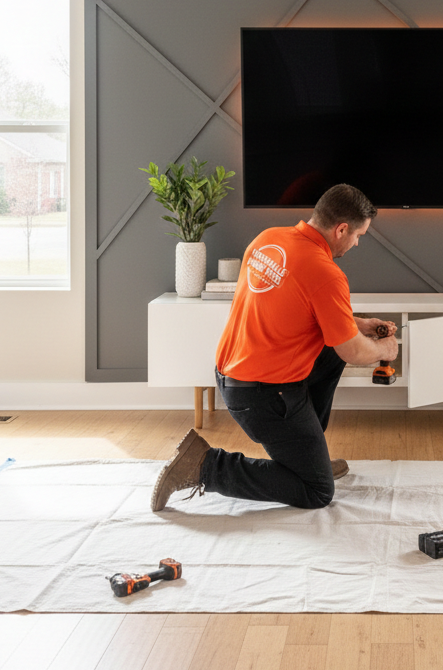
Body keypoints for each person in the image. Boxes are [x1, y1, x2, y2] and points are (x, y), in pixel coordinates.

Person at [151, 183, 398, 512]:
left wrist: (359, 324)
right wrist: (385, 350)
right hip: (263, 396)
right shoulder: (326, 273)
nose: (356, 243)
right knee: (316, 491)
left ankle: (307, 453)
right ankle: (205, 465)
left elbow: (295, 309)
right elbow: (353, 352)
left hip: (233, 377)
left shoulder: (268, 239)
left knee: (330, 350)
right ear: (341, 229)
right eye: (358, 235)